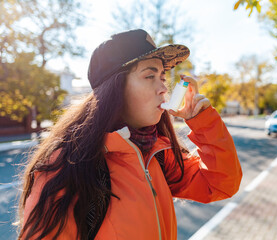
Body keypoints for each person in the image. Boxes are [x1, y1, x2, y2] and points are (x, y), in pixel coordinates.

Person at [18, 29, 242, 240]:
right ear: (114, 89)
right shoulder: (67, 166)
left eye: (162, 77)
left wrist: (202, 121)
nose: (164, 88)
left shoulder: (158, 153)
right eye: (149, 76)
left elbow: (221, 184)